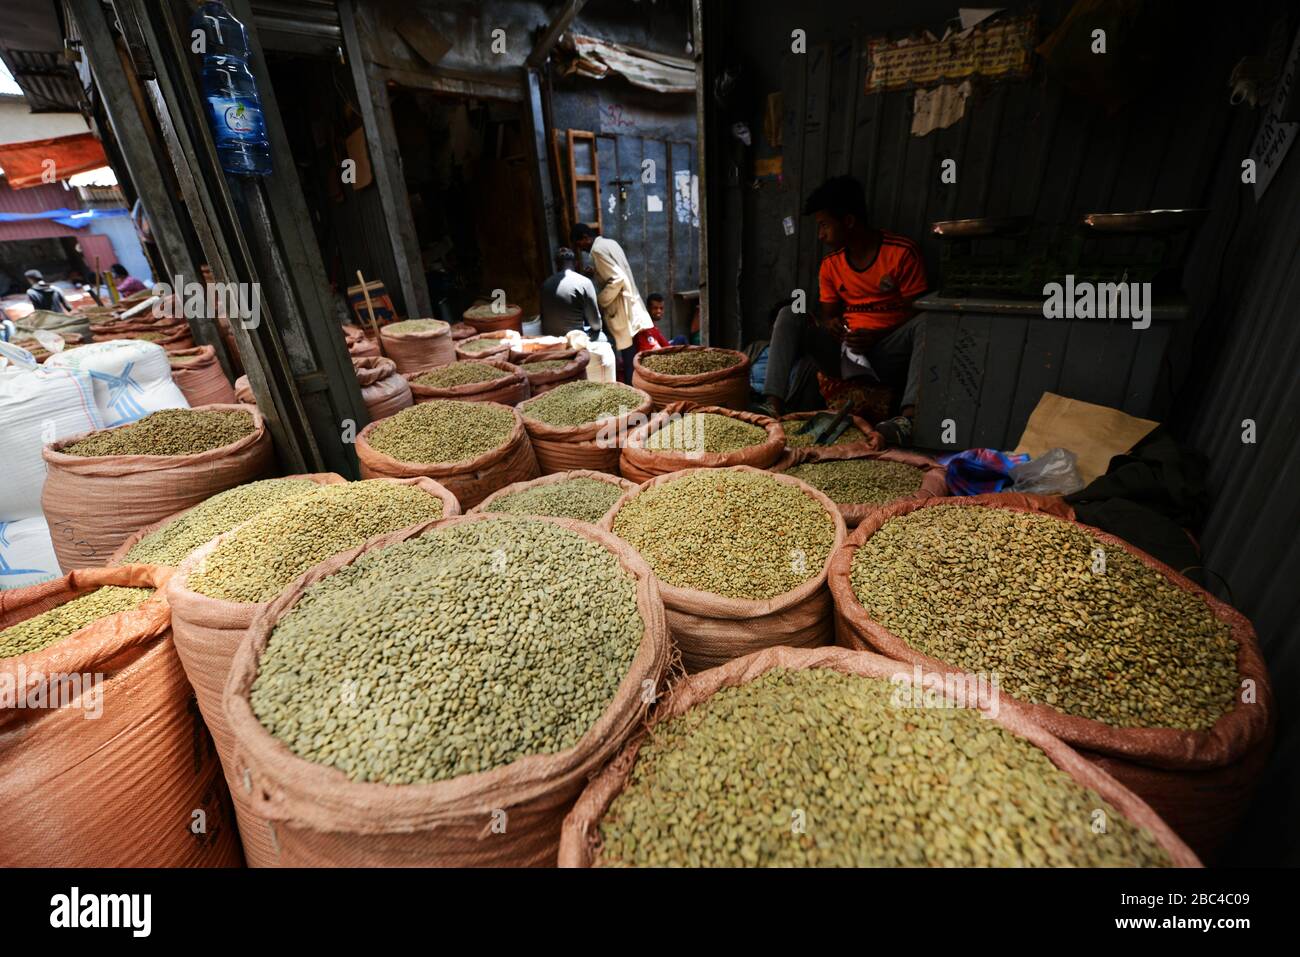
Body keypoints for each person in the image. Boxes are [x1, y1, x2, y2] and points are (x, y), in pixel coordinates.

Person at [761, 175, 928, 446]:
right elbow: (829, 314)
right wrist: (832, 325)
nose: (820, 234)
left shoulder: (901, 253)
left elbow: (916, 311)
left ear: (848, 221)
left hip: (887, 350)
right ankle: (772, 406)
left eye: (824, 225)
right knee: (791, 313)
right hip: (846, 353)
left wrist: (877, 335)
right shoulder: (831, 264)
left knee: (929, 322)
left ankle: (907, 419)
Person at [571, 223, 654, 383]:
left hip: (621, 310)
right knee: (634, 356)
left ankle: (633, 394)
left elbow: (617, 279)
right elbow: (615, 270)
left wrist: (599, 300)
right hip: (630, 305)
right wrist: (596, 273)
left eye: (579, 245)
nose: (580, 249)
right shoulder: (610, 243)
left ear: (586, 238)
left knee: (629, 359)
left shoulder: (596, 251)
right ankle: (637, 390)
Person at [539, 247, 601, 338]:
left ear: (556, 265)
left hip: (551, 339)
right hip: (574, 339)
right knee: (605, 336)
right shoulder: (584, 282)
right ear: (576, 263)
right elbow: (596, 324)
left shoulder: (545, 284)